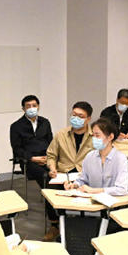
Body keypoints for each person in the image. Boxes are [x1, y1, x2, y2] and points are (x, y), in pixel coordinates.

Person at [64, 118, 128, 255]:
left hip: (110, 209)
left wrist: (96, 190)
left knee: (103, 231)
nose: (94, 139)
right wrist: (75, 185)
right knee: (75, 227)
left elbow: (122, 189)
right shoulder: (90, 157)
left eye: (98, 135)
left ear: (110, 137)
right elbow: (82, 178)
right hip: (90, 207)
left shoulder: (120, 159)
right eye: (93, 135)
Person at [44, 101, 94, 241]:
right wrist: (52, 169)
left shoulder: (94, 136)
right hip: (62, 174)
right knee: (49, 191)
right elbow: (51, 155)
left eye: (80, 116)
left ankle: (80, 226)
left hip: (83, 175)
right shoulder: (61, 134)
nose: (76, 118)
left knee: (84, 193)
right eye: (74, 115)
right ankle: (55, 225)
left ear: (88, 119)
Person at [9, 94, 56, 224]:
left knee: (59, 174)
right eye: (28, 106)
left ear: (38, 106)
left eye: (34, 105)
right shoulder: (16, 126)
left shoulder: (45, 122)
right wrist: (33, 158)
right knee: (46, 177)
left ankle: (61, 207)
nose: (31, 108)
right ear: (23, 109)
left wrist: (49, 158)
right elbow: (17, 148)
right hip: (29, 161)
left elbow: (51, 143)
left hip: (47, 158)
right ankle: (54, 217)